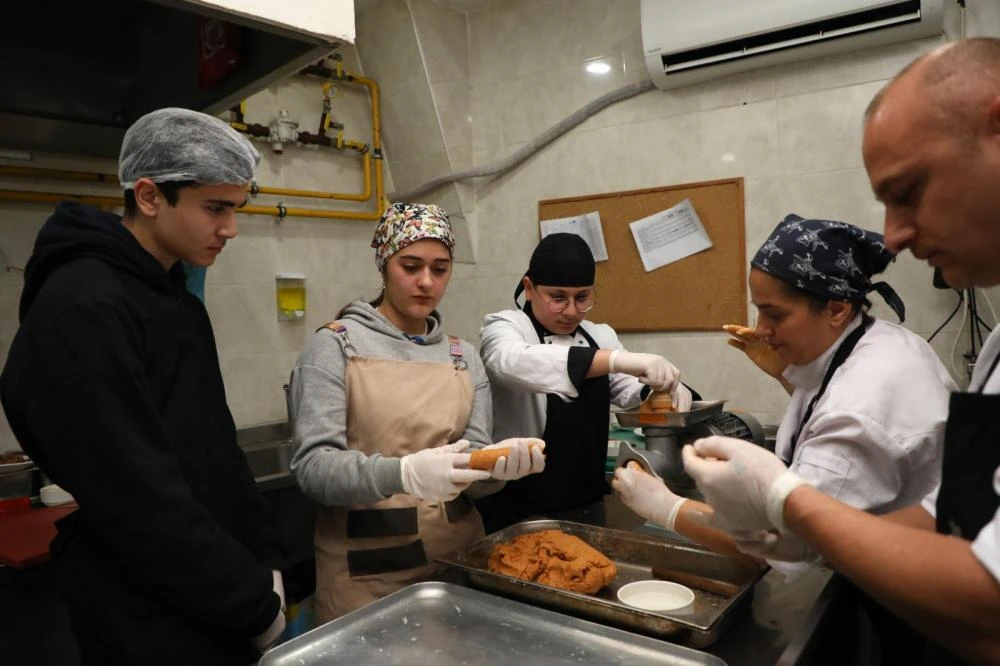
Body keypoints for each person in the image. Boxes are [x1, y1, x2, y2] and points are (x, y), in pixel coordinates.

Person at [680, 38, 1000, 665]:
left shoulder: (868, 394)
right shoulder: (983, 345)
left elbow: (991, 607)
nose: (894, 237)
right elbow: (952, 511)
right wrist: (800, 535)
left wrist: (785, 505)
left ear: (836, 308)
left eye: (907, 190)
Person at [0, 108, 287, 665]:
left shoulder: (175, 298)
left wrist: (266, 558)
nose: (230, 228)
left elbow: (217, 446)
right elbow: (136, 499)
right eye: (216, 208)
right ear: (151, 196)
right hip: (145, 618)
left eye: (236, 208)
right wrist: (251, 604)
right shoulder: (83, 308)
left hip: (215, 598)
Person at [615, 215, 955, 571]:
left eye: (774, 315)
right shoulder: (883, 340)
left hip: (901, 580)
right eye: (759, 311)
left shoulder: (860, 409)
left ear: (836, 308)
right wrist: (786, 375)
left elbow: (788, 544)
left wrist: (666, 507)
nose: (761, 329)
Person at [289, 202, 544, 621]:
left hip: (457, 563)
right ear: (384, 264)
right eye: (410, 266)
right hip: (367, 579)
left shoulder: (463, 356)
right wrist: (403, 474)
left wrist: (494, 470)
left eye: (440, 269)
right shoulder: (334, 347)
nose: (426, 282)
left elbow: (471, 470)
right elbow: (314, 469)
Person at [475, 233, 693, 533]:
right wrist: (616, 359)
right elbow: (512, 362)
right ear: (528, 288)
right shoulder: (505, 327)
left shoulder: (600, 335)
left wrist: (661, 387)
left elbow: (627, 389)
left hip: (587, 500)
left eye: (582, 298)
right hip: (517, 506)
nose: (571, 311)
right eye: (558, 298)